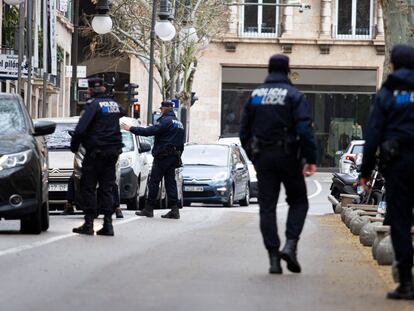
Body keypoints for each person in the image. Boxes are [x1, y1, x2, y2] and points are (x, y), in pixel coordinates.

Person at [239, 54, 317, 274]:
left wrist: (253, 156)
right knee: (299, 201)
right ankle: (290, 245)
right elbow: (304, 129)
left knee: (267, 207)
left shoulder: (255, 96)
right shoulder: (294, 95)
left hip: (263, 156)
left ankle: (273, 258)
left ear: (268, 69)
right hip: (289, 156)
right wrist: (310, 159)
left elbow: (244, 131)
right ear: (287, 70)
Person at [360, 44, 414, 300]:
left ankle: (406, 283)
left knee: (400, 222)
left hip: (399, 164)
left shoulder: (388, 93)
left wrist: (365, 172)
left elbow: (372, 135)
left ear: (392, 64)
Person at [70, 77, 125, 236]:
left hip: (95, 154)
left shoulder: (93, 105)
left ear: (92, 90)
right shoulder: (114, 104)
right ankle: (108, 224)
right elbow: (123, 111)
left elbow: (80, 130)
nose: (87, 92)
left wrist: (74, 147)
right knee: (106, 188)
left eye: (88, 89)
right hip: (112, 153)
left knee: (88, 187)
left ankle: (88, 223)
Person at [121, 100, 184, 219]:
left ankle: (149, 208)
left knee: (154, 182)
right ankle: (175, 210)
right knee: (170, 183)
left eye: (161, 109)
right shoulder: (179, 123)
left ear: (165, 109)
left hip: (162, 157)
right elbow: (181, 143)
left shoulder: (166, 121)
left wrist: (131, 128)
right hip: (173, 157)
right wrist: (178, 157)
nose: (160, 111)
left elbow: (148, 131)